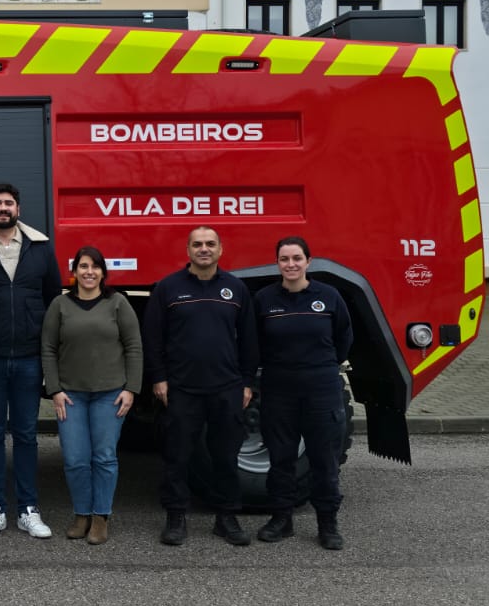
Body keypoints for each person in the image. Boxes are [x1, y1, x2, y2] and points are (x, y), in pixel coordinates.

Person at [142, 226, 259, 547]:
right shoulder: (168, 288)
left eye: (210, 244)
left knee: (225, 456)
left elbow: (249, 339)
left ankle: (227, 517)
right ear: (188, 250)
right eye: (197, 244)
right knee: (177, 456)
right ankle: (176, 517)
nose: (203, 249)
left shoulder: (236, 289)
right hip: (181, 388)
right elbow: (153, 338)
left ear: (221, 250)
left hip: (227, 388)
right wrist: (159, 378)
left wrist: (247, 381)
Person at [0, 182, 62, 539]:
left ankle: (28, 509)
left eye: (9, 203)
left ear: (18, 208)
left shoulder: (41, 248)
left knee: (27, 435)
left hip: (30, 358)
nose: (3, 208)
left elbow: (53, 301)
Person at [253, 236, 354, 550]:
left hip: (321, 388)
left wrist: (320, 366)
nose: (291, 264)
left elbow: (344, 338)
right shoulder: (264, 299)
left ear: (308, 262)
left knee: (324, 459)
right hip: (279, 389)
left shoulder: (329, 296)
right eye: (285, 259)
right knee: (281, 459)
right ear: (277, 264)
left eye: (297, 258)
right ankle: (281, 519)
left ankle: (328, 524)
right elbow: (254, 343)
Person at [41, 245, 143, 544]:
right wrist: (55, 390)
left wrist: (131, 389)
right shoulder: (60, 305)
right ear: (74, 272)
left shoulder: (118, 303)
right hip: (70, 396)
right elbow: (47, 349)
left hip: (110, 394)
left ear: (103, 272)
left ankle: (101, 517)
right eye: (83, 266)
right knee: (74, 459)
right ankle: (81, 514)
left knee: (104, 457)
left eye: (95, 267)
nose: (89, 272)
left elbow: (134, 346)